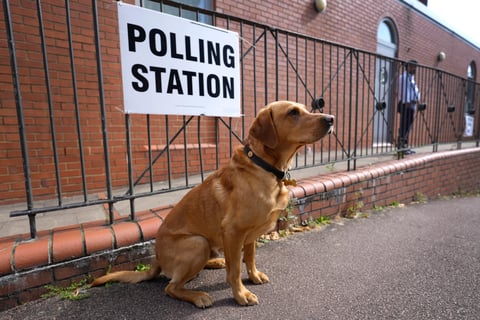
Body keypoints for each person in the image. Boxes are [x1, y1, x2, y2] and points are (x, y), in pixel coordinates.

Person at [397, 60, 420, 155]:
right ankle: (402, 147)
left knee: (407, 127)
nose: (415, 69)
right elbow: (403, 91)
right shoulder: (404, 77)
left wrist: (417, 99)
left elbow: (414, 91)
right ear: (408, 67)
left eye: (415, 67)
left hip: (411, 105)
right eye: (413, 67)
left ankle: (404, 146)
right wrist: (407, 102)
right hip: (406, 104)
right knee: (404, 126)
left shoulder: (411, 78)